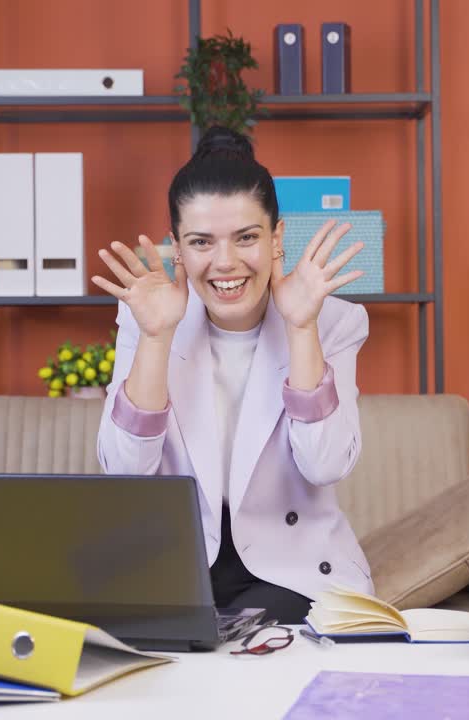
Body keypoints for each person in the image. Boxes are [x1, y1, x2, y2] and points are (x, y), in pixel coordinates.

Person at [93, 126, 370, 624]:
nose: (225, 263)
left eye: (246, 238)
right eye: (202, 242)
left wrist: (301, 325)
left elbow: (324, 465)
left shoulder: (333, 320)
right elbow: (126, 474)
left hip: (293, 571)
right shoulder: (147, 317)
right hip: (174, 567)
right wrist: (156, 337)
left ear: (277, 237)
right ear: (176, 246)